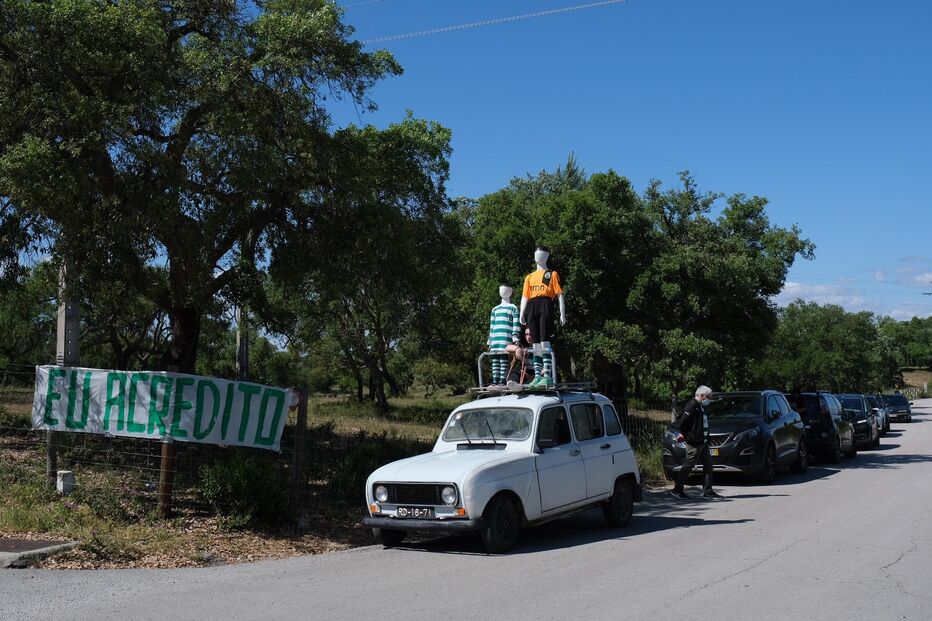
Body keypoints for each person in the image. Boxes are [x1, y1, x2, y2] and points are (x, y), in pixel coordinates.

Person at [671, 385, 723, 499]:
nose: (710, 399)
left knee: (708, 466)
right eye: (709, 397)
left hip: (703, 442)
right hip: (694, 442)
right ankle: (677, 489)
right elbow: (683, 422)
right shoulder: (692, 404)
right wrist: (684, 435)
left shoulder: (699, 406)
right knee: (688, 466)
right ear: (702, 395)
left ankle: (708, 491)